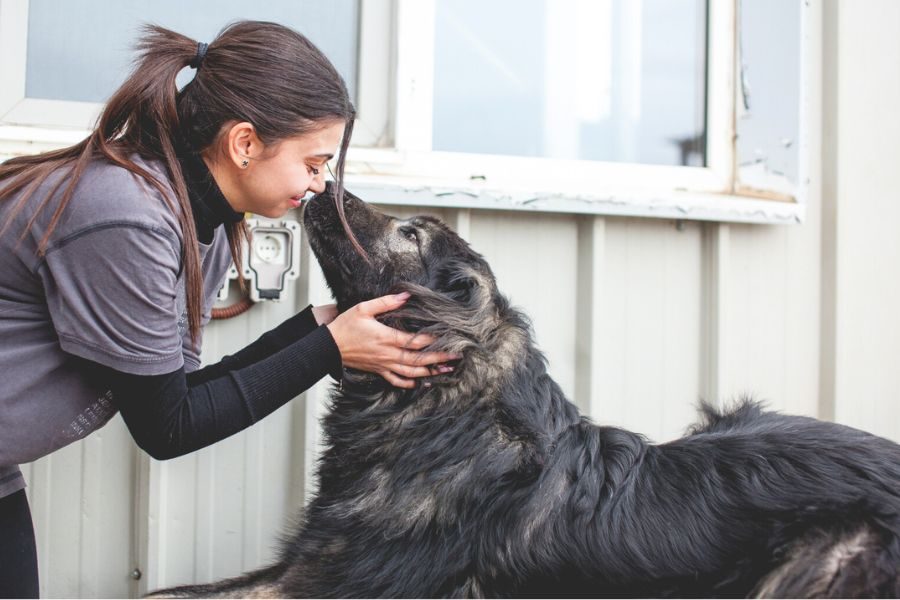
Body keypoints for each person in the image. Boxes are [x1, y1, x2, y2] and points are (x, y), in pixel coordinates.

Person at [0, 21, 457, 598]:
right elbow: (169, 428)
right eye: (314, 163)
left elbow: (179, 394)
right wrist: (328, 349)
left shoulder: (201, 222)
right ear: (244, 143)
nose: (320, 185)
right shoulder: (130, 216)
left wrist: (318, 328)